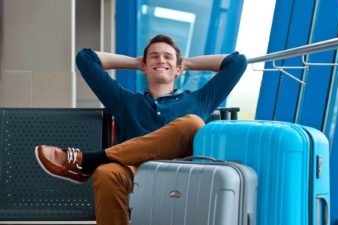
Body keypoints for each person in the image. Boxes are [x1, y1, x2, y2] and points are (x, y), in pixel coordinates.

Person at [35, 34, 247, 225]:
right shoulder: (125, 101)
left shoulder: (199, 100)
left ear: (179, 68)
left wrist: (187, 62)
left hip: (183, 175)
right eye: (154, 57)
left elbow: (237, 63)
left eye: (168, 57)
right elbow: (86, 59)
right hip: (135, 175)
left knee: (192, 123)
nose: (161, 60)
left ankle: (88, 161)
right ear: (144, 67)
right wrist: (137, 63)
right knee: (106, 173)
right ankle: (97, 163)